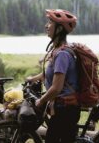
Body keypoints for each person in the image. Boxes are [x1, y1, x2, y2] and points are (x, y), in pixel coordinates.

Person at [26, 9, 80, 143]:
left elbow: (57, 87)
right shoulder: (56, 50)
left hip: (65, 111)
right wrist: (32, 79)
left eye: (50, 23)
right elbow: (49, 74)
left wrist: (41, 100)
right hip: (60, 108)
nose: (46, 26)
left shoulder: (62, 54)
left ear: (60, 28)